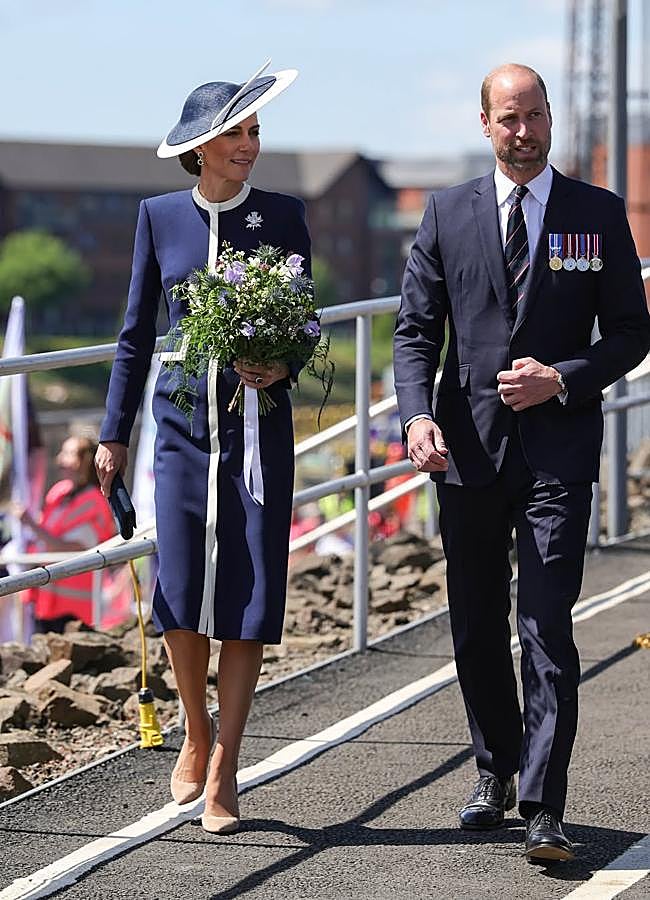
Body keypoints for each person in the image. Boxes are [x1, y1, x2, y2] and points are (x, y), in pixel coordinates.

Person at [393, 63, 650, 862]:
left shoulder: (596, 212)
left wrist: (562, 378)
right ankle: (494, 771)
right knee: (475, 625)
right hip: (465, 453)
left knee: (544, 626)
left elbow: (631, 333)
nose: (525, 131)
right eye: (509, 118)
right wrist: (416, 416)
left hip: (556, 456)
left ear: (551, 117)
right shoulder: (447, 212)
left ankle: (543, 806)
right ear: (485, 124)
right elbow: (415, 331)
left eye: (535, 115)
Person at [95, 62, 310, 835]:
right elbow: (135, 334)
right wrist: (113, 434)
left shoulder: (284, 216)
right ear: (202, 148)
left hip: (259, 425)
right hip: (181, 428)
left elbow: (307, 320)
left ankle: (227, 767)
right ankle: (195, 727)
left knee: (250, 591)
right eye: (237, 133)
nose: (251, 144)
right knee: (180, 586)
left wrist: (282, 363)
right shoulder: (158, 216)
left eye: (256, 131)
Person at [14, 434, 115, 633]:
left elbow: (70, 549)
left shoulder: (94, 502)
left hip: (75, 611)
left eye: (68, 453)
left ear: (85, 461)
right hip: (45, 602)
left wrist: (30, 524)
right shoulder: (58, 492)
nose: (60, 459)